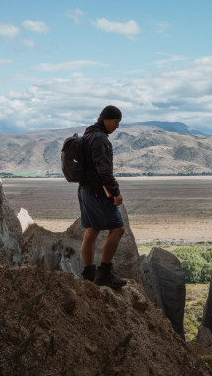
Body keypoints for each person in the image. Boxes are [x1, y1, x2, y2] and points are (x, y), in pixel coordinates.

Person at [78, 105, 127, 288]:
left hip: (84, 190)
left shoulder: (88, 135)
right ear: (106, 119)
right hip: (98, 192)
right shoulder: (100, 139)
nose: (117, 127)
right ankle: (104, 274)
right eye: (116, 122)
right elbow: (104, 170)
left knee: (91, 231)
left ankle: (89, 273)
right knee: (118, 229)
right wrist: (116, 192)